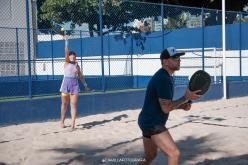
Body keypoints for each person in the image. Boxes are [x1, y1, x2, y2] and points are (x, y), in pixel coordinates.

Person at [138, 47, 201, 165]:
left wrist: (181, 106)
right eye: (175, 58)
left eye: (179, 58)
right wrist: (185, 98)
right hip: (152, 123)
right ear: (165, 61)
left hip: (146, 120)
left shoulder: (167, 77)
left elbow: (163, 105)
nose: (179, 60)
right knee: (174, 153)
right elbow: (166, 108)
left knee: (150, 156)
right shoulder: (163, 79)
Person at [60, 35, 90, 130]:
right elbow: (66, 51)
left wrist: (85, 86)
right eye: (71, 55)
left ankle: (73, 124)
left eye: (74, 55)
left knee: (73, 105)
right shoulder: (66, 62)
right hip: (65, 85)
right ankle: (62, 122)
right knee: (64, 104)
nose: (72, 56)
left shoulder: (77, 66)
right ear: (69, 57)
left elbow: (81, 76)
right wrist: (66, 41)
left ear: (75, 57)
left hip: (75, 86)